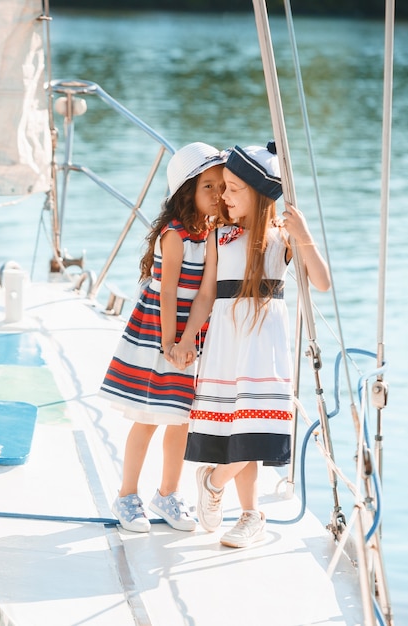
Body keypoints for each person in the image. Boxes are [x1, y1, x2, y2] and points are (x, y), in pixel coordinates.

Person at [171, 141, 330, 548]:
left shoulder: (282, 236)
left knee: (260, 428)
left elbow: (323, 282)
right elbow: (206, 294)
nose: (223, 196)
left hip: (267, 346)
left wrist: (304, 233)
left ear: (259, 195)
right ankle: (250, 514)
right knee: (239, 432)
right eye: (221, 187)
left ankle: (214, 479)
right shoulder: (219, 235)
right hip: (226, 342)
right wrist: (187, 338)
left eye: (232, 189)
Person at [100, 142, 227, 533]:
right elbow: (168, 291)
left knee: (181, 419)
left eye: (221, 187)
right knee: (149, 417)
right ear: (186, 192)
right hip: (158, 330)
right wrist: (171, 343)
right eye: (209, 186)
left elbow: (206, 293)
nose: (218, 195)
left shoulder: (211, 234)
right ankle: (126, 495)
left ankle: (168, 493)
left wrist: (189, 341)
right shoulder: (173, 235)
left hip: (190, 335)